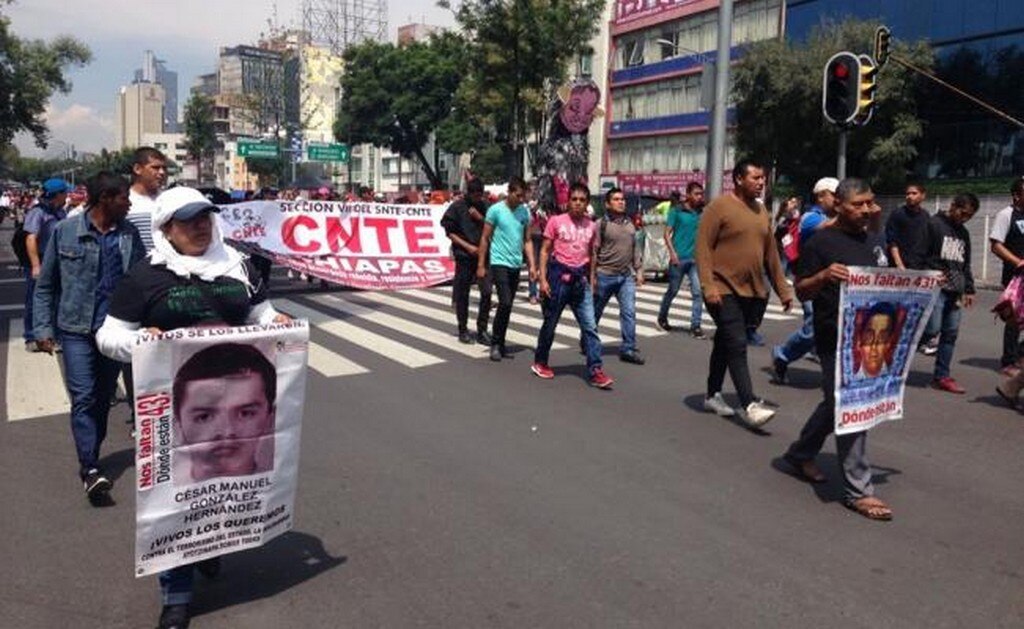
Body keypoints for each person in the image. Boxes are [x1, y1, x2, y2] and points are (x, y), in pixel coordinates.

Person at [96, 186, 291, 629]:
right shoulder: (146, 276)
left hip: (239, 405)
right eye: (188, 221)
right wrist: (141, 343)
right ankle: (177, 596)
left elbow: (259, 313)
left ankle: (212, 543)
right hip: (177, 408)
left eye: (205, 217)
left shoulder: (236, 266)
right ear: (166, 229)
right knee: (175, 494)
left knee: (223, 488)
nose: (201, 226)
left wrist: (275, 322)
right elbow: (108, 336)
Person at [781, 177, 894, 521]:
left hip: (869, 338)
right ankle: (859, 490)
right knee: (852, 408)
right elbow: (801, 290)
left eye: (870, 203)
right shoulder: (821, 243)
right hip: (835, 338)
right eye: (858, 204)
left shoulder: (875, 242)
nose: (866, 209)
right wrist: (824, 277)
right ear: (840, 206)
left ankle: (800, 453)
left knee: (836, 403)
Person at [32, 172, 145, 501]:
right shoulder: (65, 231)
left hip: (115, 330)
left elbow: (140, 281)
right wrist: (43, 329)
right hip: (76, 329)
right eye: (123, 197)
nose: (128, 203)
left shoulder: (129, 234)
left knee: (102, 398)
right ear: (105, 199)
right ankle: (90, 468)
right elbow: (47, 285)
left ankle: (90, 449)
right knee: (82, 396)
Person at [694, 159, 793, 427]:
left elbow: (771, 255)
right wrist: (708, 285)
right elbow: (702, 248)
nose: (761, 182)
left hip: (751, 291)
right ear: (739, 179)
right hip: (721, 288)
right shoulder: (719, 207)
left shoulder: (761, 212)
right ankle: (749, 404)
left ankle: (713, 394)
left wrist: (783, 290)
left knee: (725, 342)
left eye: (763, 178)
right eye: (756, 177)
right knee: (737, 342)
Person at [531, 182, 613, 388]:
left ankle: (595, 369)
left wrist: (592, 278)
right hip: (558, 277)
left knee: (590, 326)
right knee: (550, 323)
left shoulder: (591, 225)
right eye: (574, 199)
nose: (577, 203)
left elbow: (591, 254)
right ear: (568, 202)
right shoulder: (556, 221)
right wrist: (542, 279)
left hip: (580, 281)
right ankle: (541, 361)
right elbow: (544, 250)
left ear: (587, 203)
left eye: (582, 200)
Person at [173, 343, 277, 483]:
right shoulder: (160, 497)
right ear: (178, 424)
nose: (227, 431)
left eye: (246, 413)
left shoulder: (280, 488)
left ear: (270, 418)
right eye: (204, 417)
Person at [772, 177, 839, 384]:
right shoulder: (811, 217)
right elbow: (829, 226)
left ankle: (834, 374)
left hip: (831, 281)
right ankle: (782, 355)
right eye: (834, 195)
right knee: (813, 329)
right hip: (809, 282)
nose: (838, 200)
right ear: (821, 196)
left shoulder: (833, 216)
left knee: (834, 328)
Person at [477, 176, 537, 362]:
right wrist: (481, 265)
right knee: (505, 302)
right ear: (510, 192)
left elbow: (527, 240)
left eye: (523, 196)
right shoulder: (495, 210)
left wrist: (532, 265)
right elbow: (485, 238)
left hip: (515, 263)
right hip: (498, 262)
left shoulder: (524, 213)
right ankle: (495, 343)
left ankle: (501, 343)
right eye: (518, 195)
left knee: (508, 305)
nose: (521, 199)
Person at [923, 193, 978, 393]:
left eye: (969, 216)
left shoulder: (963, 233)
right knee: (931, 329)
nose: (964, 218)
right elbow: (920, 254)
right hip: (935, 288)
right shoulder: (933, 224)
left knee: (950, 334)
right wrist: (928, 274)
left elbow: (966, 264)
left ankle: (942, 376)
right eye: (962, 213)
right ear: (953, 205)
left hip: (955, 291)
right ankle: (897, 356)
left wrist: (969, 289)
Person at [593, 187, 646, 365]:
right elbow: (593, 252)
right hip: (604, 275)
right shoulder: (601, 224)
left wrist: (638, 271)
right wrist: (592, 275)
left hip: (625, 277)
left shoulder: (630, 224)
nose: (621, 202)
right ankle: (588, 340)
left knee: (629, 312)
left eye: (622, 199)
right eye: (616, 199)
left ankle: (628, 348)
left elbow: (635, 249)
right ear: (608, 204)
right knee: (595, 312)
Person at [885, 182, 936, 354]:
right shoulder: (898, 215)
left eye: (914, 193)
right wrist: (899, 265)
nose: (910, 196)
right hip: (900, 269)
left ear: (923, 195)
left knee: (917, 308)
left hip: (919, 268)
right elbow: (892, 242)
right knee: (897, 307)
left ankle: (914, 341)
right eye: (907, 193)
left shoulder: (926, 217)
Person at [441, 178, 493, 345]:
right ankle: (463, 329)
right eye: (475, 195)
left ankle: (482, 329)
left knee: (486, 292)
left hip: (484, 255)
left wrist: (480, 218)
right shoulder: (457, 207)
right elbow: (449, 232)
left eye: (480, 195)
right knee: (463, 294)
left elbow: (493, 227)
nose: (478, 199)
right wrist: (468, 247)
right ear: (468, 194)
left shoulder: (486, 207)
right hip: (464, 255)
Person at [23, 178, 70, 351]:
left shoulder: (60, 212)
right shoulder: (38, 212)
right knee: (35, 298)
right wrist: (36, 265)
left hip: (58, 259)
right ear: (57, 194)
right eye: (65, 192)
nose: (67, 195)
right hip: (41, 259)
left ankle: (54, 336)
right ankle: (31, 337)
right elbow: (30, 238)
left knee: (57, 298)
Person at [657, 184, 706, 338]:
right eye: (697, 194)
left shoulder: (701, 212)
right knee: (673, 290)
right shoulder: (676, 211)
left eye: (701, 194)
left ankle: (695, 326)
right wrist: (672, 253)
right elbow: (666, 234)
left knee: (698, 292)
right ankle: (662, 317)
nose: (700, 197)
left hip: (695, 260)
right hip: (678, 259)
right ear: (688, 194)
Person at [989, 177, 1024, 376]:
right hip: (1015, 277)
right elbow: (996, 245)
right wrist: (1017, 261)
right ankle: (1009, 361)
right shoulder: (1006, 214)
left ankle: (1019, 353)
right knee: (1014, 320)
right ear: (1017, 196)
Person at [127, 147, 168, 252]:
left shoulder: (168, 200)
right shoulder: (124, 201)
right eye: (155, 167)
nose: (162, 172)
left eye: (164, 168)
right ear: (137, 169)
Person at [851, 303, 899, 380]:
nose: (874, 346)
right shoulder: (850, 376)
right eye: (869, 336)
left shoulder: (893, 377)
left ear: (889, 342)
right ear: (859, 341)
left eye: (882, 337)